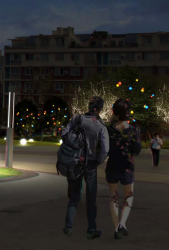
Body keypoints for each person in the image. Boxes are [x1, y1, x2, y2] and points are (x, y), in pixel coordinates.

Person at [62, 95, 109, 239]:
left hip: (75, 161)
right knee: (91, 198)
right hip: (91, 164)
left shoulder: (77, 119)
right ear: (100, 109)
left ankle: (68, 227)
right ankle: (91, 229)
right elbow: (105, 149)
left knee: (74, 197)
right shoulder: (101, 126)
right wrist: (98, 161)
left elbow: (64, 133)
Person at [106, 99, 141, 239]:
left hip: (112, 166)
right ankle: (122, 223)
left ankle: (115, 228)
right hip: (127, 167)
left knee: (114, 197)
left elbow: (104, 148)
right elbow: (137, 150)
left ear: (115, 113)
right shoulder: (133, 131)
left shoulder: (108, 130)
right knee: (128, 195)